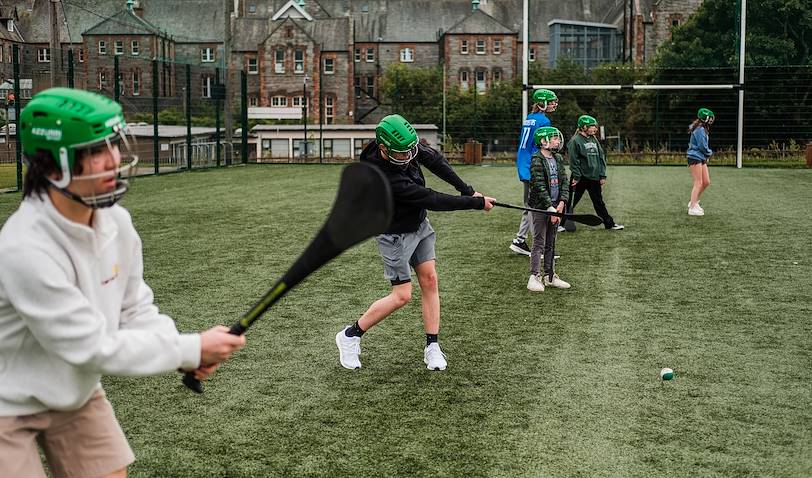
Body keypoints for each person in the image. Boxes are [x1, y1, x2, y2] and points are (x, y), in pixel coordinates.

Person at [0, 88, 246, 478]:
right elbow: (93, 346)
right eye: (96, 151)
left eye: (113, 144)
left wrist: (186, 353)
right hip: (6, 403)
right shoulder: (24, 248)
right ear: (53, 166)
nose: (113, 159)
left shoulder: (117, 221)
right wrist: (189, 348)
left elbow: (134, 309)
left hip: (74, 393)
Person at [335, 114, 495, 371]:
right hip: (394, 234)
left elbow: (434, 160)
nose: (409, 157)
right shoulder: (383, 175)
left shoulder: (404, 145)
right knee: (402, 296)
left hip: (419, 224)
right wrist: (475, 203)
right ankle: (350, 335)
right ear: (384, 149)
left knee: (430, 279)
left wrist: (466, 189)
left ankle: (432, 346)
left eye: (412, 151)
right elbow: (430, 198)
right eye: (401, 154)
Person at [509, 89, 559, 256]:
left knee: (531, 206)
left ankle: (520, 240)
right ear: (542, 103)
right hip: (533, 164)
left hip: (524, 163)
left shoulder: (530, 118)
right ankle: (540, 246)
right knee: (536, 207)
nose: (553, 104)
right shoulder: (543, 120)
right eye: (550, 101)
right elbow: (543, 145)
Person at [526, 127, 571, 292]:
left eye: (557, 139)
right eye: (554, 139)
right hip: (541, 207)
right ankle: (534, 276)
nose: (558, 141)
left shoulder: (558, 158)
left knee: (551, 242)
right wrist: (550, 208)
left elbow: (564, 182)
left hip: (556, 206)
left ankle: (550, 276)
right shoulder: (536, 159)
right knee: (539, 241)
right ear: (543, 141)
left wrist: (561, 203)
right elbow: (538, 185)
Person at [567, 115, 624, 231]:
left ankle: (609, 224)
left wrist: (602, 175)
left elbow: (601, 157)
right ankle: (560, 224)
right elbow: (573, 161)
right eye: (593, 126)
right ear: (584, 127)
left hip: (594, 177)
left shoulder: (594, 139)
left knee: (599, 202)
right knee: (570, 201)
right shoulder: (575, 141)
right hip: (580, 178)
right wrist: (577, 176)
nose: (595, 129)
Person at [686, 108, 714, 216]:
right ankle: (692, 207)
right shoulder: (700, 129)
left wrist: (706, 155)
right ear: (705, 118)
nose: (711, 119)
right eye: (710, 118)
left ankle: (694, 201)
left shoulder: (702, 128)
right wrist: (709, 153)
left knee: (706, 181)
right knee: (698, 182)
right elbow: (702, 146)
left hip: (700, 157)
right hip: (695, 157)